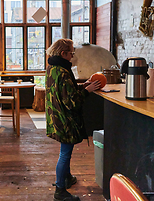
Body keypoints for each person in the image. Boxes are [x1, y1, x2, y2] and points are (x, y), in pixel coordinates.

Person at [45, 39, 101, 201]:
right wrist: (87, 91)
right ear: (63, 54)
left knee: (65, 152)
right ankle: (60, 191)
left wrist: (83, 86)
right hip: (65, 119)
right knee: (65, 154)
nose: (72, 56)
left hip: (56, 117)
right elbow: (72, 102)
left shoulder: (52, 68)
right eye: (71, 53)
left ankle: (67, 178)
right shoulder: (63, 72)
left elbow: (65, 92)